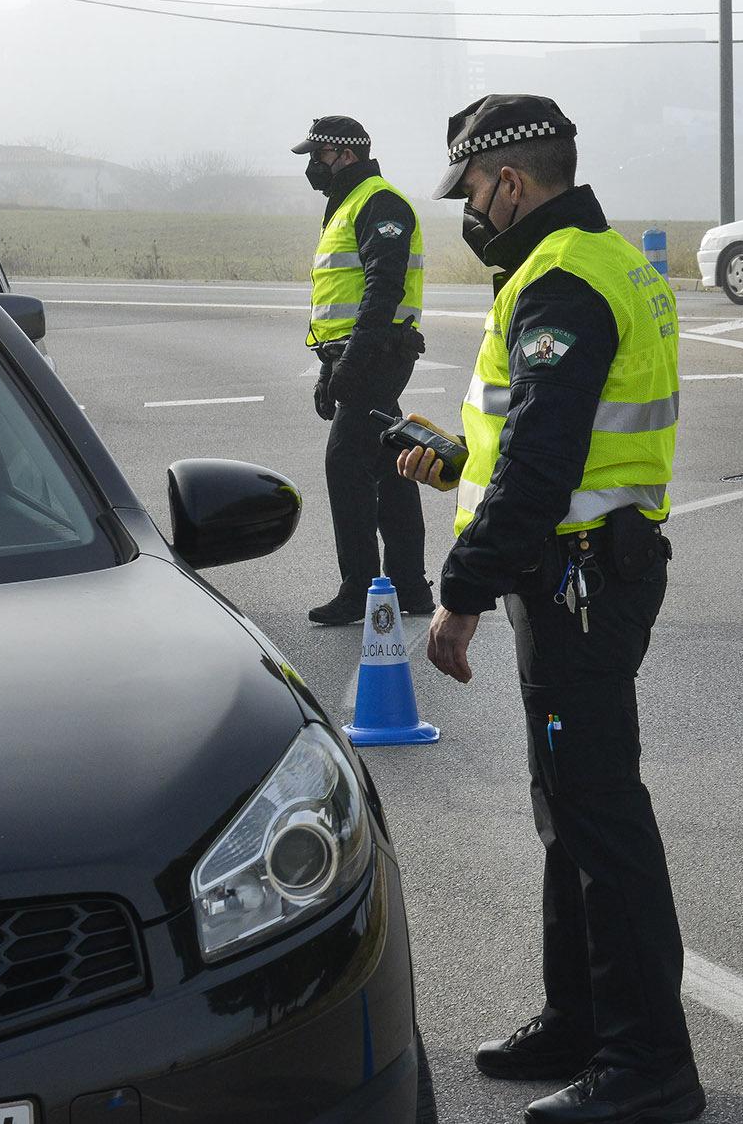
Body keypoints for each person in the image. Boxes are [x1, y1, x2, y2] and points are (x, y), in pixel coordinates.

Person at [396, 94, 702, 1124]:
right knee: (569, 804)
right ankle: (577, 1020)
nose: (469, 211)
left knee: (599, 814)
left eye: (472, 192)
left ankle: (649, 1063)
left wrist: (459, 595)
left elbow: (541, 464)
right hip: (582, 565)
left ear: (510, 183)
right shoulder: (603, 263)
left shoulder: (562, 282)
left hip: (575, 578)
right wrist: (452, 463)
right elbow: (526, 447)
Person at [291, 115, 433, 624]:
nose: (312, 165)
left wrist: (352, 361)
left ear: (344, 154)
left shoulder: (380, 202)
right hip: (358, 353)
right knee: (387, 464)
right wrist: (329, 365)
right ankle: (410, 587)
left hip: (378, 352)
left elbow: (382, 287)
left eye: (317, 155)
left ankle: (359, 590)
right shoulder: (347, 204)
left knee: (345, 464)